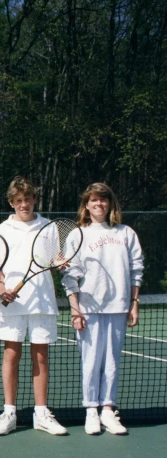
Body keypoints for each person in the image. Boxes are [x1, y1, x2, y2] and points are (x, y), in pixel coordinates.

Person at [62, 182, 143, 435]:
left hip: (119, 307)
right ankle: (91, 412)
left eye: (103, 200)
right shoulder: (78, 234)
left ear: (110, 203)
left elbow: (136, 270)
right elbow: (69, 276)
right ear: (86, 205)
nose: (99, 204)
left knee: (111, 362)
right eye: (94, 200)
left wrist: (134, 303)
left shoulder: (126, 233)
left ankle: (108, 410)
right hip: (88, 308)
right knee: (90, 361)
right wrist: (75, 310)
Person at [0, 176, 67, 435]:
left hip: (43, 301)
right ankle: (9, 412)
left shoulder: (49, 227)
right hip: (12, 303)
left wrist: (60, 263)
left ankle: (41, 413)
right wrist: (1, 289)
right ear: (12, 203)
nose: (24, 204)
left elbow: (54, 260)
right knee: (11, 354)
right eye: (19, 200)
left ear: (35, 199)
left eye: (28, 199)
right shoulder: (1, 230)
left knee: (41, 357)